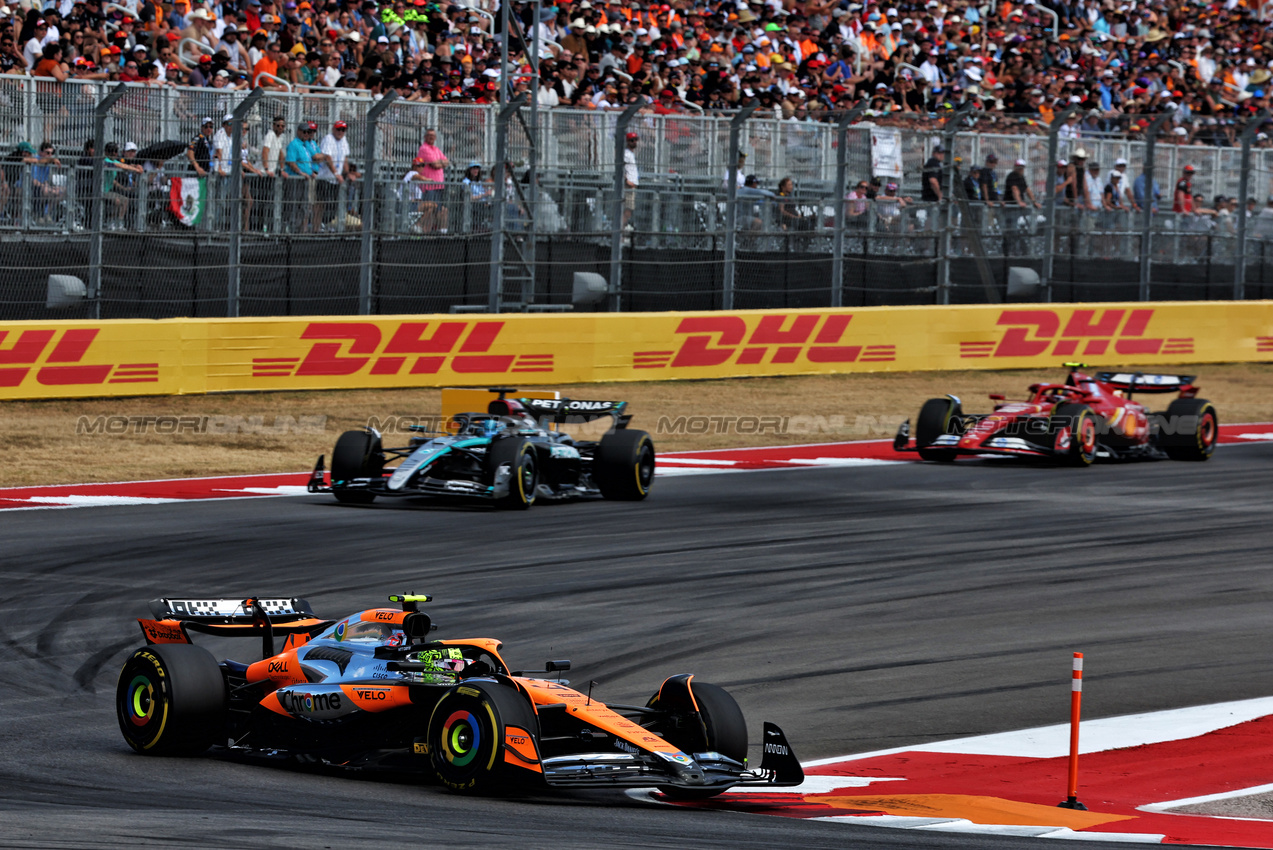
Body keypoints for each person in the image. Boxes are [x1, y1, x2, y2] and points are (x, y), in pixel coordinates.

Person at [318, 120, 357, 229]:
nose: (341, 132)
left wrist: (347, 173)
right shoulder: (328, 139)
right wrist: (336, 173)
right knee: (324, 204)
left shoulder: (344, 140)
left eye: (343, 130)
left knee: (334, 204)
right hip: (326, 178)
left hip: (336, 180)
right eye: (339, 129)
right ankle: (320, 226)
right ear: (333, 129)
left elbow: (345, 158)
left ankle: (327, 225)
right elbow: (327, 157)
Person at [284, 120, 321, 232]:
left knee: (304, 206)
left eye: (308, 132)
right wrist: (300, 172)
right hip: (295, 180)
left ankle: (300, 229)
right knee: (293, 204)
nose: (306, 134)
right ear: (299, 131)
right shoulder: (294, 144)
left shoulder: (306, 145)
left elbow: (314, 157)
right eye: (304, 132)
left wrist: (311, 172)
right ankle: (289, 229)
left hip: (305, 179)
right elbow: (291, 162)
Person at [413, 128, 448, 233]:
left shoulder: (436, 149)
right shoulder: (424, 149)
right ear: (425, 137)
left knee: (437, 210)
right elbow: (436, 164)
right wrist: (440, 163)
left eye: (433, 135)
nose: (431, 137)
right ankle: (423, 230)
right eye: (429, 135)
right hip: (429, 187)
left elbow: (446, 162)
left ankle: (437, 232)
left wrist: (440, 163)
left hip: (438, 186)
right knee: (430, 209)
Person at [622, 130, 638, 230]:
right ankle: (621, 233)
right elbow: (621, 167)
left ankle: (622, 233)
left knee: (629, 211)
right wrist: (627, 181)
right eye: (632, 140)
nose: (634, 142)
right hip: (628, 186)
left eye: (636, 140)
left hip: (632, 186)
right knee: (627, 211)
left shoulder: (631, 154)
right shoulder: (626, 154)